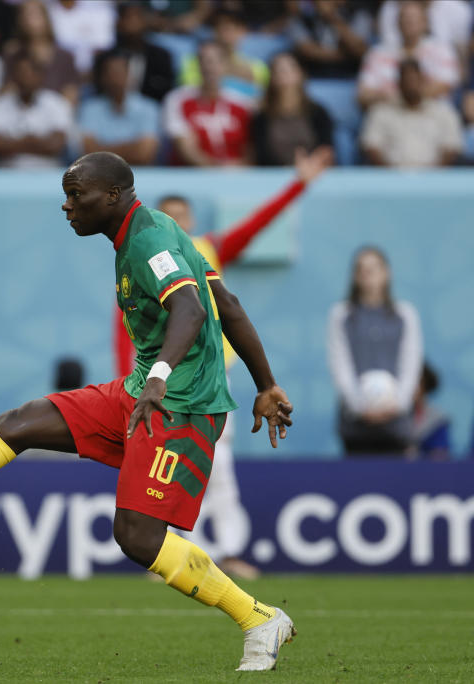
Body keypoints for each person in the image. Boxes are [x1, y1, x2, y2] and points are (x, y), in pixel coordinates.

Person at [0, 151, 297, 672]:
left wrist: (162, 378)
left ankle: (258, 619)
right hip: (142, 391)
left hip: (182, 406)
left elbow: (189, 308)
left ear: (112, 196)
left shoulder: (149, 239)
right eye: (65, 196)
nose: (67, 207)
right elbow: (222, 302)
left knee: (137, 537)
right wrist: (267, 383)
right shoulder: (144, 233)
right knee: (19, 423)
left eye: (77, 196)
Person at [114, 146, 333, 579]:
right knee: (162, 467)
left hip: (209, 382)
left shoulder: (202, 252)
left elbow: (255, 227)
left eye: (181, 215)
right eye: (168, 214)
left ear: (189, 221)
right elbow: (126, 326)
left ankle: (228, 552)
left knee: (219, 471)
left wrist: (298, 185)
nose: (174, 222)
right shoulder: (143, 256)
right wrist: (131, 380)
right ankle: (170, 555)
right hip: (158, 384)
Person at [327, 246, 423, 456]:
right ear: (354, 276)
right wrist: (360, 406)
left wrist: (397, 404)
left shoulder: (405, 315)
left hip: (396, 424)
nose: (367, 274)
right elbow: (340, 365)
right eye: (361, 269)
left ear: (387, 273)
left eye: (374, 268)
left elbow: (411, 363)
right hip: (355, 425)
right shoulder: (341, 315)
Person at [163, 40, 256, 167]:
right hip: (194, 175)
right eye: (204, 60)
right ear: (198, 65)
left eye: (216, 61)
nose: (209, 67)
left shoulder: (243, 103)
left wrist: (239, 168)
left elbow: (251, 147)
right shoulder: (178, 99)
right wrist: (219, 170)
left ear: (226, 65)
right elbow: (185, 148)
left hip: (238, 176)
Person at [360, 59, 463, 168]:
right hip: (391, 178)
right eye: (407, 80)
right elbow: (371, 147)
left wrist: (432, 178)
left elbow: (451, 148)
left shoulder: (444, 112)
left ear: (423, 81)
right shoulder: (381, 112)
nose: (411, 85)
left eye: (414, 80)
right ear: (398, 83)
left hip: (435, 179)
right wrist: (392, 177)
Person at [358, 0, 460, 108]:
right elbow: (363, 96)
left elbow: (445, 84)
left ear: (425, 22)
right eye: (405, 17)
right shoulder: (377, 53)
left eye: (414, 18)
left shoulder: (442, 50)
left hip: (430, 114)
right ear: (397, 22)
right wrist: (402, 101)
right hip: (389, 114)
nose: (409, 21)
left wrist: (401, 99)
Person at [0, 52, 73, 169]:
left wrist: (14, 143)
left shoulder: (56, 103)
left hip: (47, 176)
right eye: (21, 73)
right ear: (14, 76)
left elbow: (57, 145)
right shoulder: (0, 105)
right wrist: (32, 142)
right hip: (7, 177)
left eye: (31, 73)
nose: (25, 78)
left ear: (41, 76)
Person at [78, 50, 159, 167]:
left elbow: (144, 154)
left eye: (119, 73)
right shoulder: (89, 108)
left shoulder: (148, 108)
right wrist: (132, 148)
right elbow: (88, 153)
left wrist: (103, 149)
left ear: (129, 75)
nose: (115, 78)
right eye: (110, 73)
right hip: (99, 177)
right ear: (102, 77)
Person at [251, 52, 334, 166]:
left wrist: (308, 167)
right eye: (279, 70)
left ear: (301, 73)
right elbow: (259, 155)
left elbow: (326, 150)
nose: (284, 73)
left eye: (290, 68)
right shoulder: (262, 117)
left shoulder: (318, 112)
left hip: (312, 173)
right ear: (272, 77)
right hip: (272, 177)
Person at [1, 0, 79, 107]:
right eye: (25, 15)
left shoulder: (65, 56)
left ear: (46, 18)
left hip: (55, 117)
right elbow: (8, 92)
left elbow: (70, 95)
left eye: (35, 14)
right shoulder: (13, 53)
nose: (30, 20)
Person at [95, 1, 174, 103]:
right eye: (128, 17)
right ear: (119, 22)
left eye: (138, 17)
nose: (133, 22)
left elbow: (165, 92)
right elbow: (100, 92)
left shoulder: (161, 57)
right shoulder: (106, 58)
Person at [179, 10, 268, 100]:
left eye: (232, 28)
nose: (227, 34)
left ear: (243, 31)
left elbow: (261, 97)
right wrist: (234, 75)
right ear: (214, 31)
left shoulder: (256, 66)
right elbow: (189, 90)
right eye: (222, 28)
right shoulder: (192, 61)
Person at [289, 0, 373, 79]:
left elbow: (359, 50)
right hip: (314, 76)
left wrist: (332, 18)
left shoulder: (359, 15)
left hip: (351, 76)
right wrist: (347, 56)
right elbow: (307, 51)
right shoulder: (301, 19)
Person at [46, 0, 116, 76]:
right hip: (58, 73)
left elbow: (105, 46)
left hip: (95, 73)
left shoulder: (99, 7)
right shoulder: (47, 8)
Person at [411, 362, 451, 460]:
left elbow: (440, 456)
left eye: (415, 381)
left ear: (425, 384)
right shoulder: (391, 420)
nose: (409, 386)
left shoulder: (437, 420)